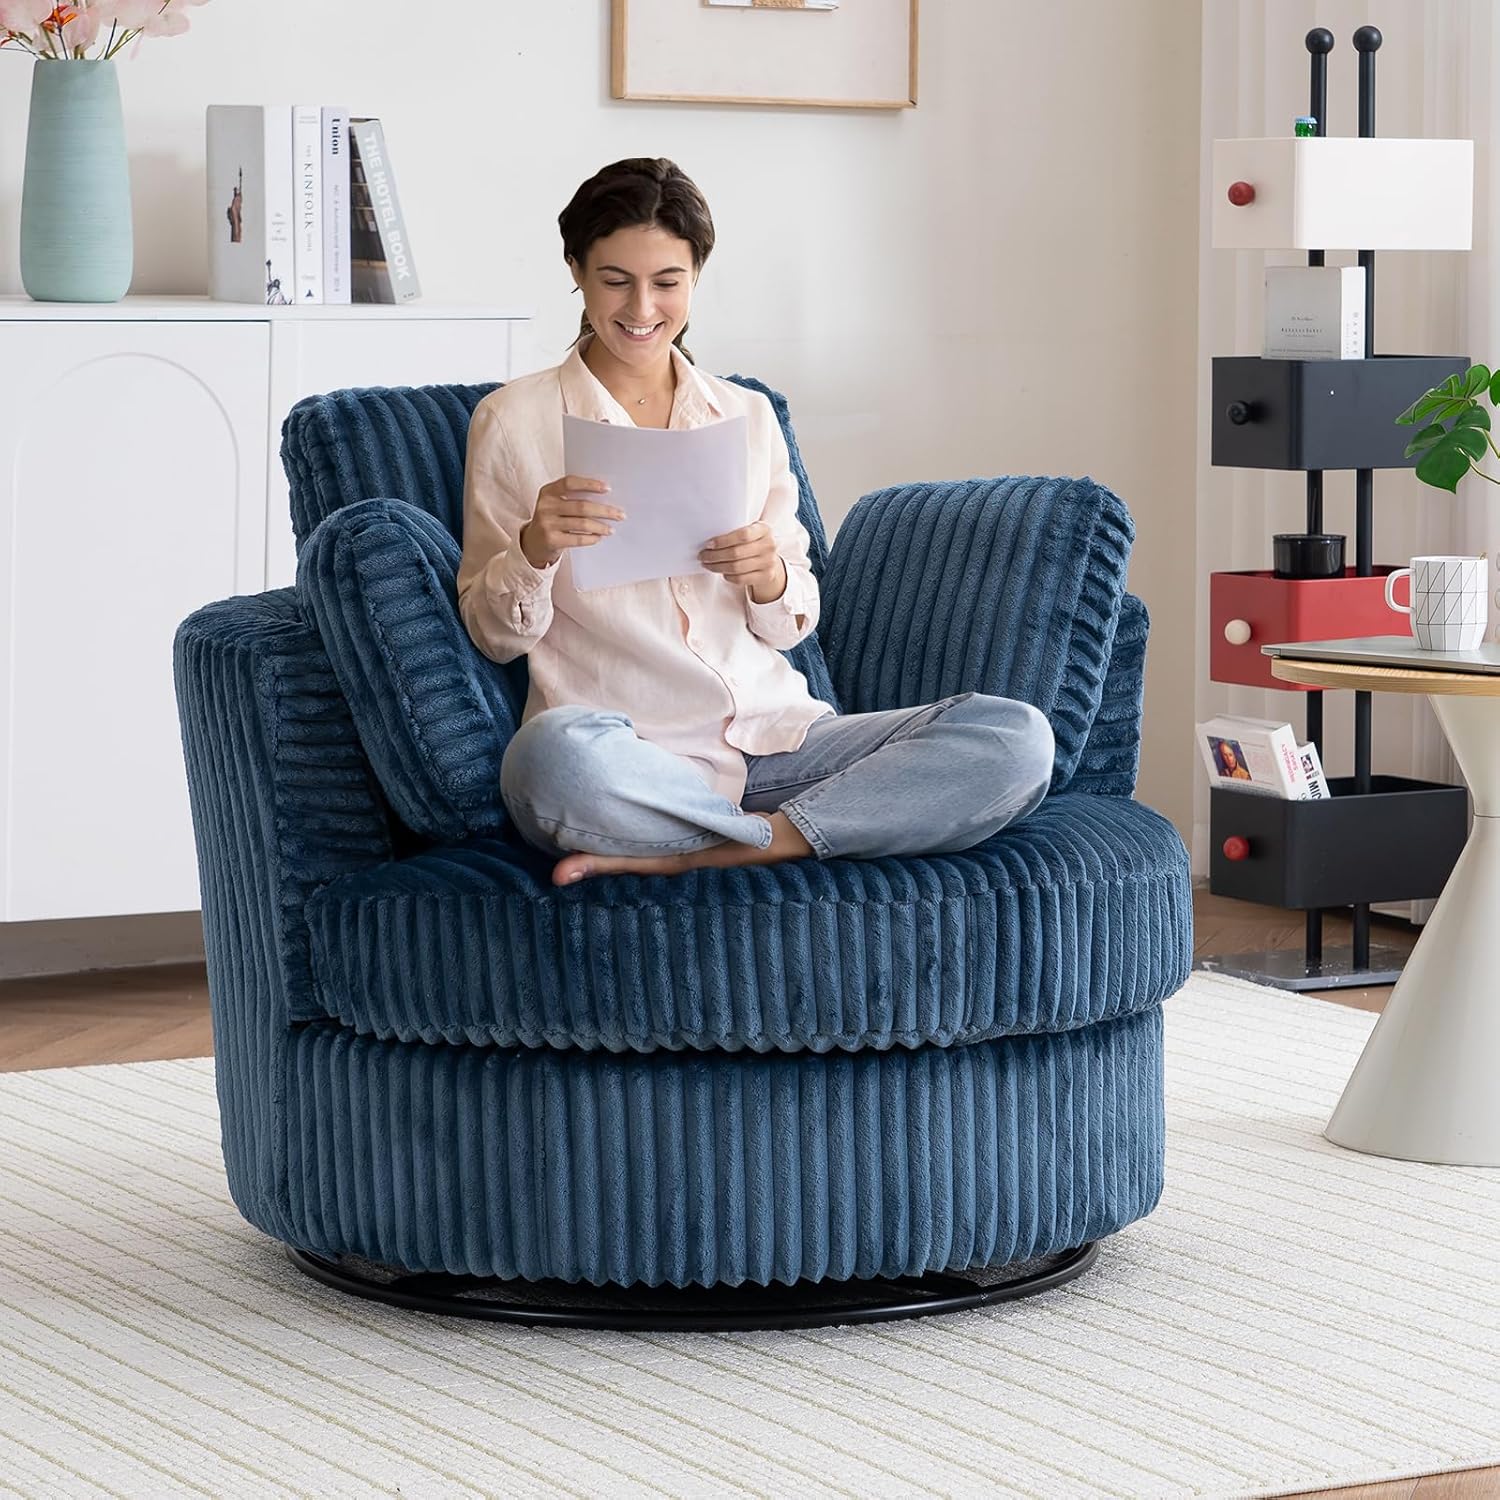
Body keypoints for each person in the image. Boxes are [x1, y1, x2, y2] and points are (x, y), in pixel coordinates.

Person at [457, 157, 1055, 887]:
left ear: (696, 278)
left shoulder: (745, 413)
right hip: (627, 756)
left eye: (667, 282)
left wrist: (769, 577)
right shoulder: (513, 420)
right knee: (548, 760)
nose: (642, 307)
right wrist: (535, 546)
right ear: (576, 271)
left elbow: (790, 626)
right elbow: (493, 635)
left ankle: (741, 844)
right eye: (616, 280)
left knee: (1014, 737)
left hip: (779, 741)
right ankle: (803, 831)